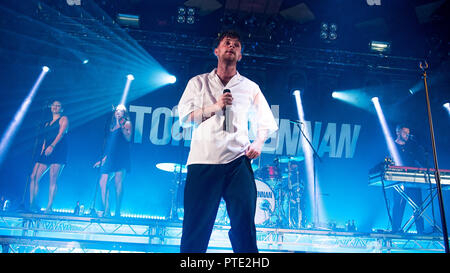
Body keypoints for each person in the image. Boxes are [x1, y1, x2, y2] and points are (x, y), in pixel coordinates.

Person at [177, 30, 278, 253]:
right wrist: (216, 107)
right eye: (227, 43)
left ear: (240, 55)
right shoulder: (198, 82)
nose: (231, 46)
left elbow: (266, 121)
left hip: (237, 162)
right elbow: (185, 118)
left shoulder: (250, 87)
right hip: (204, 161)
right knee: (196, 226)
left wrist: (259, 143)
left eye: (237, 45)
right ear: (217, 51)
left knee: (244, 226)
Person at [29, 100, 69, 213]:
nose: (55, 107)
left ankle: (49, 207)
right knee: (34, 176)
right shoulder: (47, 123)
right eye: (53, 105)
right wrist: (43, 150)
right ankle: (32, 204)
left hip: (58, 149)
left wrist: (52, 146)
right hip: (46, 151)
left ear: (61, 109)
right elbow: (45, 140)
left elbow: (61, 133)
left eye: (58, 105)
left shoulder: (63, 118)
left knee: (53, 178)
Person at [93, 104, 132, 218]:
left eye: (121, 111)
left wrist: (122, 126)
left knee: (117, 182)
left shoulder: (126, 123)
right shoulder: (111, 126)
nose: (118, 112)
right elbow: (110, 145)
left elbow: (128, 138)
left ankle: (118, 210)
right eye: (116, 110)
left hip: (121, 156)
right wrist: (103, 159)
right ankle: (106, 210)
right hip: (110, 157)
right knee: (102, 181)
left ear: (124, 113)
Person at [391, 124, 427, 234]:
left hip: (413, 181)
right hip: (399, 181)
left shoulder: (412, 147)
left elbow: (417, 161)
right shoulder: (392, 146)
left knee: (418, 205)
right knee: (399, 205)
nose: (407, 135)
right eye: (404, 132)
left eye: (408, 133)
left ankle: (420, 230)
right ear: (398, 132)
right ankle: (396, 230)